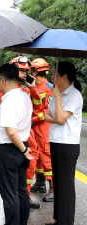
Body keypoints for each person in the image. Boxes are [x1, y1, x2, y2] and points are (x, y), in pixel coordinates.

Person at [0, 63, 34, 225]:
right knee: (21, 192)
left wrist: (23, 149)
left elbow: (11, 132)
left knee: (10, 195)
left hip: (9, 150)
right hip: (21, 148)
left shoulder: (9, 101)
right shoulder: (23, 96)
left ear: (3, 81)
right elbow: (8, 114)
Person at [0, 56, 42, 209]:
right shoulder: (7, 92)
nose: (24, 73)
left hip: (21, 139)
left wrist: (33, 88)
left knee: (17, 189)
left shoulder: (27, 90)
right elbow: (1, 111)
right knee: (17, 188)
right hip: (19, 138)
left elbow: (39, 106)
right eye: (21, 70)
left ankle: (22, 205)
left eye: (26, 71)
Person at [44, 61, 83, 225]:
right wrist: (56, 117)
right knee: (58, 183)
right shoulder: (58, 92)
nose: (52, 77)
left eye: (54, 74)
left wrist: (58, 99)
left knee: (66, 186)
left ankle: (66, 222)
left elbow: (60, 118)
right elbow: (46, 115)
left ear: (64, 76)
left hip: (67, 144)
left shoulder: (74, 95)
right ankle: (58, 219)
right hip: (56, 141)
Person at [29, 58, 54, 202]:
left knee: (46, 156)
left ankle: (53, 187)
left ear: (36, 71)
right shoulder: (34, 86)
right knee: (36, 155)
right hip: (34, 127)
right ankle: (40, 183)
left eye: (31, 70)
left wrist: (33, 119)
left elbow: (47, 111)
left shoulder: (48, 87)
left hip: (43, 127)